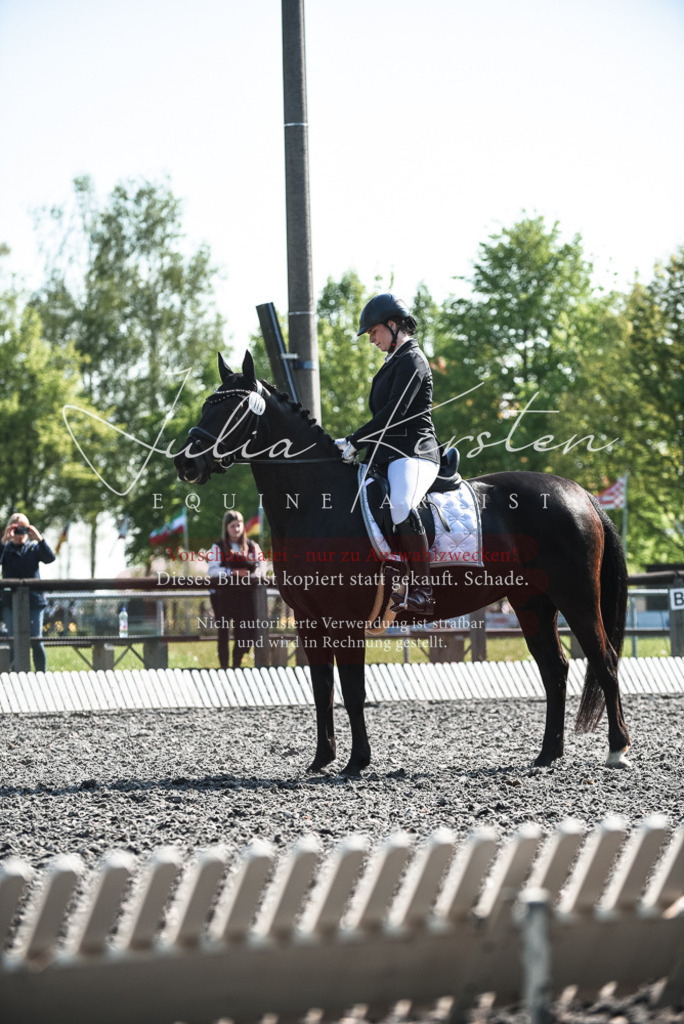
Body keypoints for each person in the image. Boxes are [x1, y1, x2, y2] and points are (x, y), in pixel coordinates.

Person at [336, 293, 440, 614]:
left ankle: (423, 591)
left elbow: (394, 415)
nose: (371, 339)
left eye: (373, 331)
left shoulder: (413, 360)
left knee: (401, 504)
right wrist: (351, 443)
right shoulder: (392, 362)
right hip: (387, 455)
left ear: (393, 325)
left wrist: (356, 440)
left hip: (415, 452)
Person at [207, 511, 266, 669]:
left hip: (245, 597)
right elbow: (212, 571)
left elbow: (262, 568)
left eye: (239, 525)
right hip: (223, 597)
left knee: (244, 633)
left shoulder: (252, 546)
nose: (236, 529)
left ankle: (236, 665)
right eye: (232, 526)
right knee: (224, 633)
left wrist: (251, 574)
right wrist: (232, 572)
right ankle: (224, 667)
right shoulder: (218, 547)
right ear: (226, 528)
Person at [1, 513, 56, 672]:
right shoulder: (6, 549)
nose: (20, 534)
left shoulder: (33, 548)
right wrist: (4, 540)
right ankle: (11, 674)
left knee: (36, 640)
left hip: (34, 600)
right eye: (16, 529)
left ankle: (40, 675)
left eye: (24, 529)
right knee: (13, 640)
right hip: (10, 600)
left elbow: (50, 558)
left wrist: (39, 538)